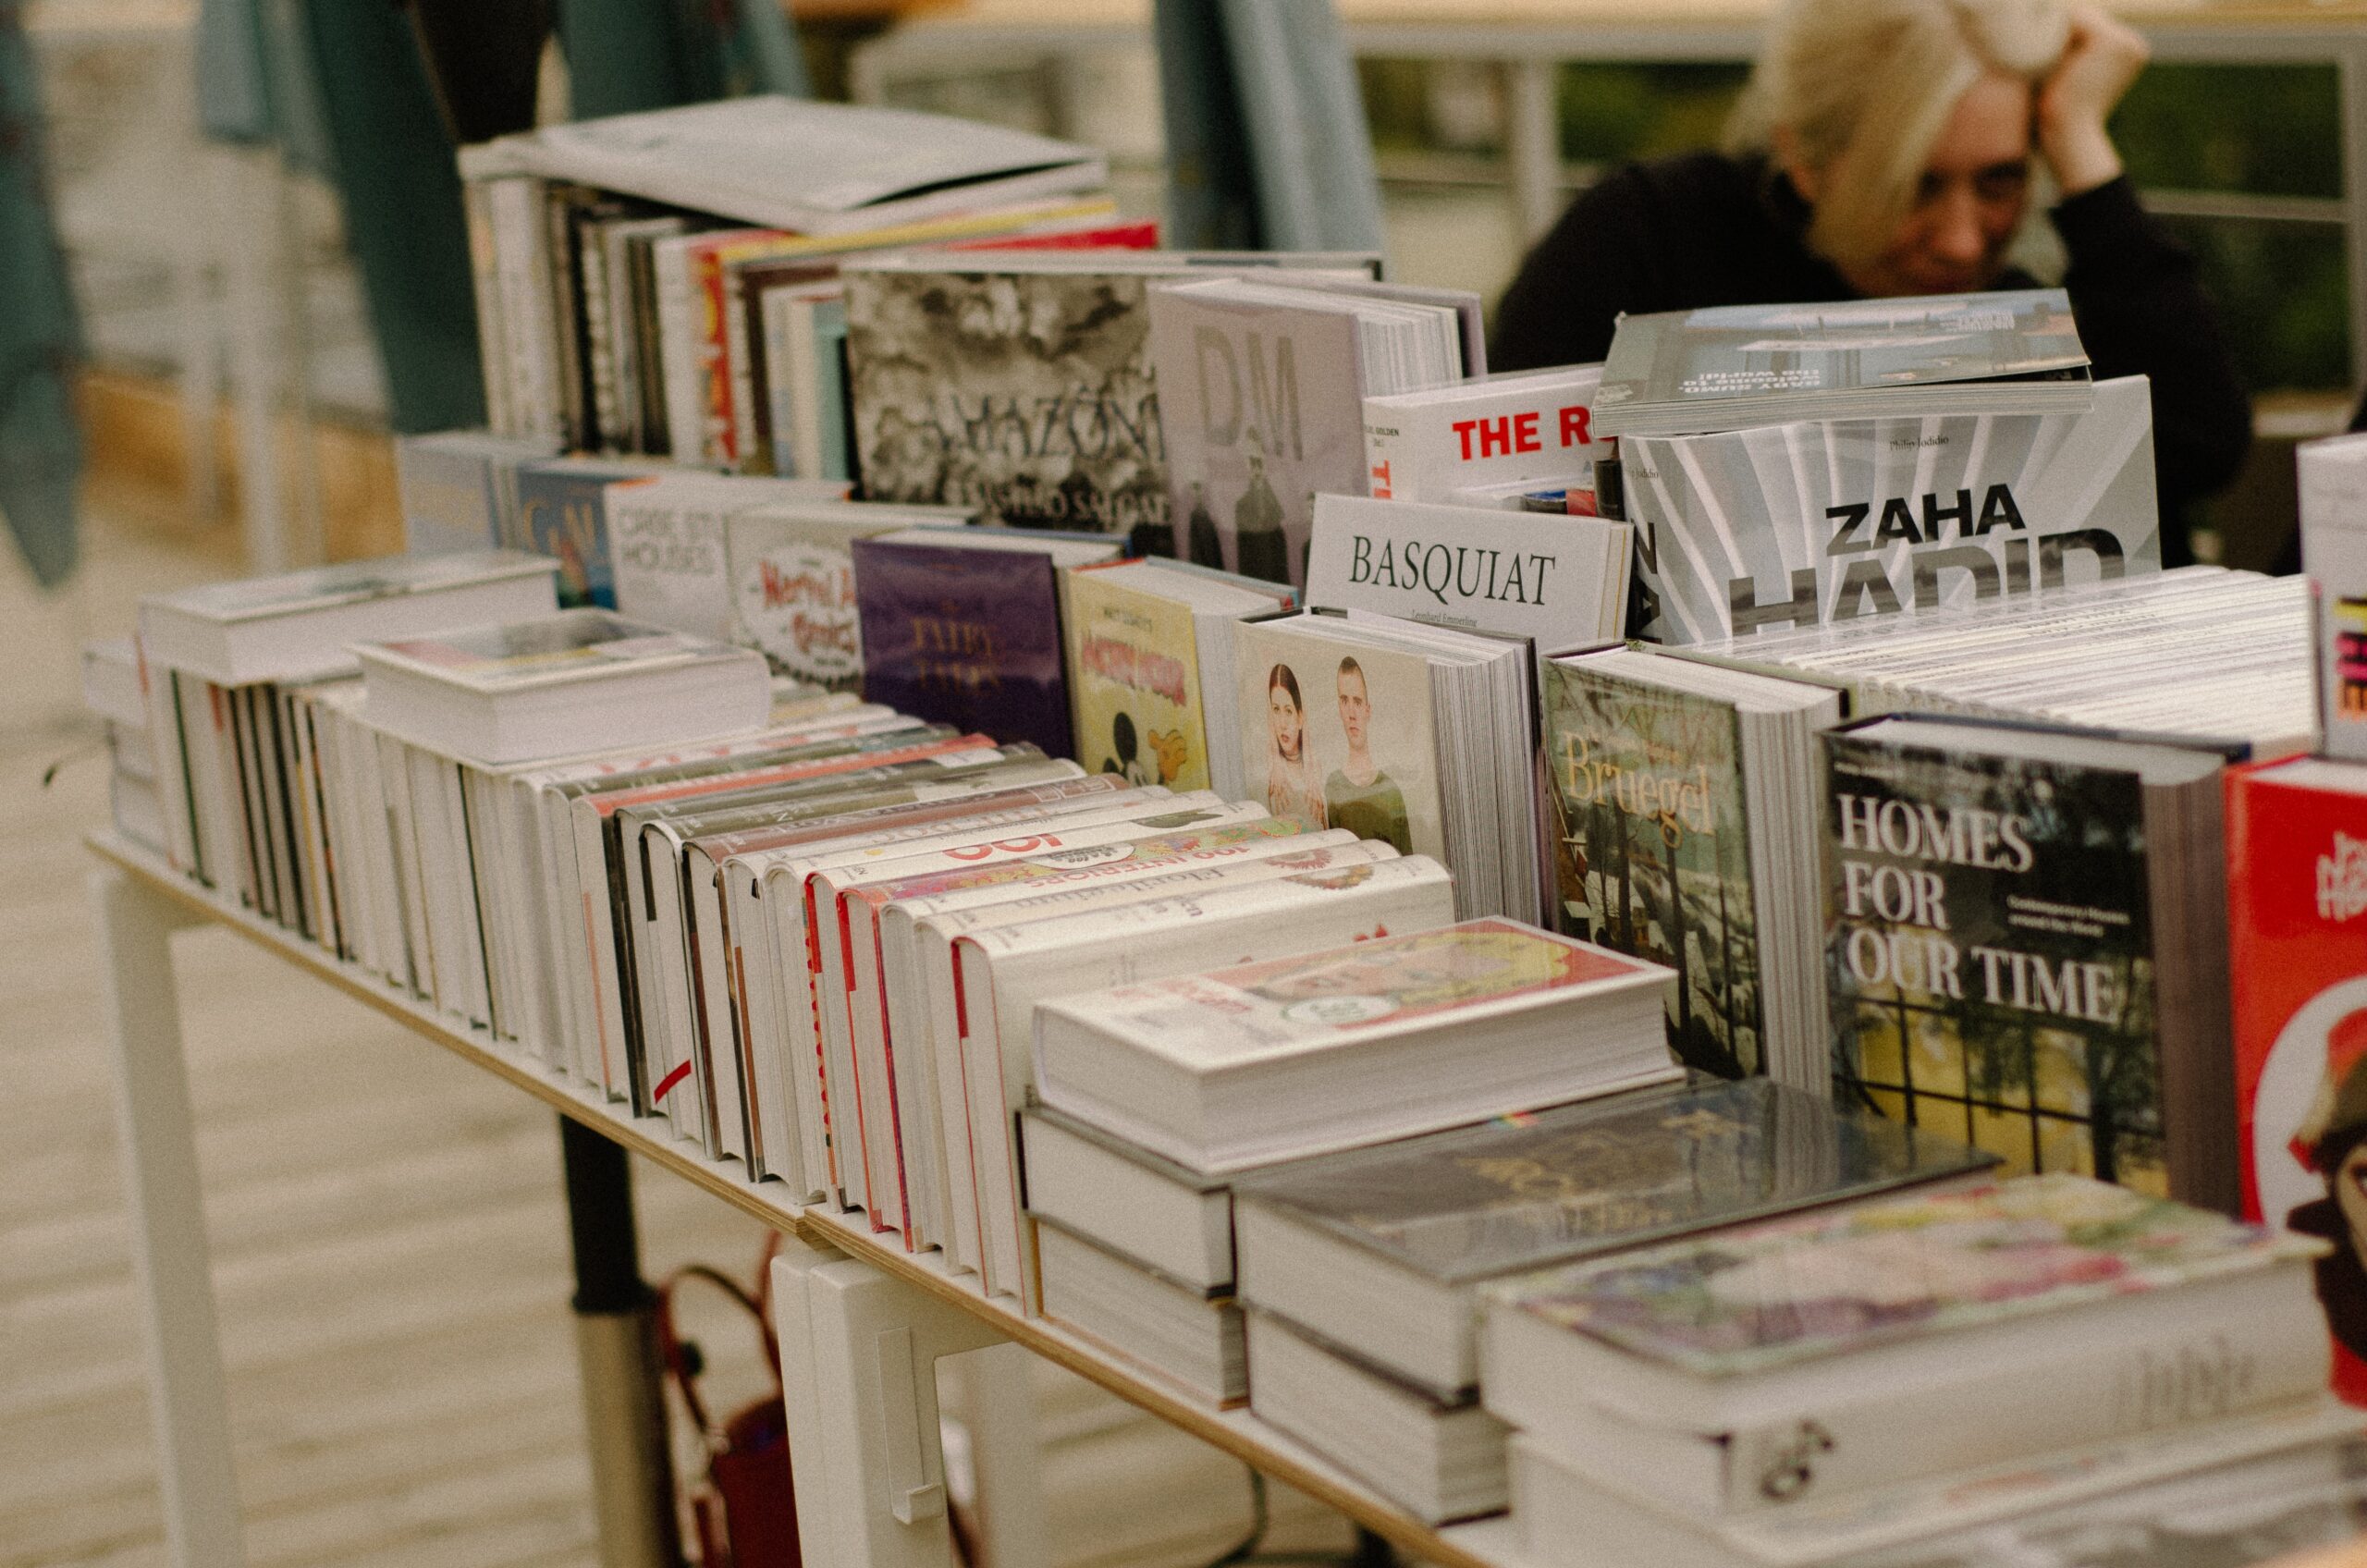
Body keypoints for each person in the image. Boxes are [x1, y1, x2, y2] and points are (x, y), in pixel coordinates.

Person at [1490, 0, 2250, 566]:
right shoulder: (1649, 240)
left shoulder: (2014, 304)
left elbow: (2196, 447)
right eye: (1915, 186)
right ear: (1805, 160)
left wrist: (2081, 143)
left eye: (2000, 182)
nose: (1960, 243)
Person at [1324, 657, 1413, 853]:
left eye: (1357, 701)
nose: (1351, 713)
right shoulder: (1333, 786)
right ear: (1339, 708)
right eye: (1344, 701)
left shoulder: (1391, 793)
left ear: (1367, 710)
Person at [1263, 664, 1327, 830]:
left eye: (1289, 711)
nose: (1282, 723)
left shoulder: (1317, 769)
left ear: (1300, 718)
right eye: (1276, 710)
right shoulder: (1272, 775)